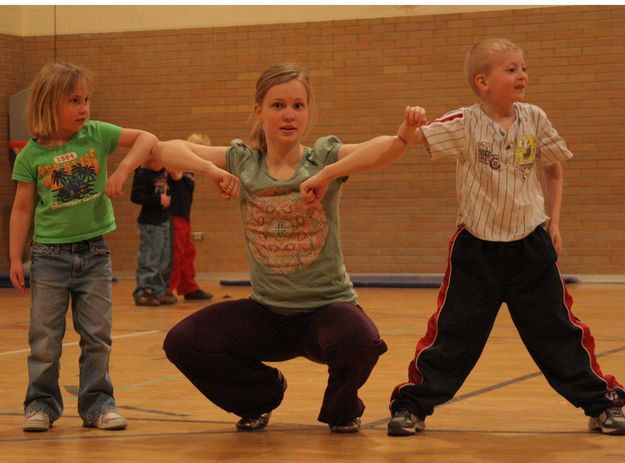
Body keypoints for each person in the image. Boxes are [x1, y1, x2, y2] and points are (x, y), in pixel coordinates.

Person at [155, 62, 426, 433]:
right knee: (184, 341)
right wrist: (211, 171)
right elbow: (165, 149)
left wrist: (330, 174)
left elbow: (386, 149)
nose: (289, 115)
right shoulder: (243, 161)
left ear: (308, 112)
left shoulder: (323, 157)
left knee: (360, 339)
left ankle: (341, 408)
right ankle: (260, 396)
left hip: (326, 311)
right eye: (278, 105)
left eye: (298, 106)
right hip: (266, 313)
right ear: (258, 111)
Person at [387, 38, 625, 437]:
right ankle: (412, 405)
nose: (522, 75)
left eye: (523, 68)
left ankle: (601, 403)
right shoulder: (463, 122)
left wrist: (554, 222)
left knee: (559, 331)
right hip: (476, 251)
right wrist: (408, 123)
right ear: (483, 81)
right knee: (453, 335)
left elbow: (552, 169)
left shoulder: (534, 118)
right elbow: (414, 139)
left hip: (530, 247)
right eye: (511, 69)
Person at [9, 61, 159, 432]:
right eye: (74, 100)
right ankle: (41, 404)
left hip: (93, 254)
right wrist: (15, 256)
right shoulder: (31, 155)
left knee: (97, 335)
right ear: (48, 103)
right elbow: (23, 206)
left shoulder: (96, 134)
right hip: (48, 257)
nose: (84, 108)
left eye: (87, 99)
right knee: (45, 338)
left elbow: (147, 139)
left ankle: (98, 404)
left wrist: (124, 170)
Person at [165, 133, 214, 302]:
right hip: (174, 217)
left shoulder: (191, 172)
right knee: (176, 253)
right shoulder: (179, 168)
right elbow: (172, 169)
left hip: (184, 218)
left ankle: (188, 288)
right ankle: (167, 289)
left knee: (188, 252)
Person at [130, 157, 177, 306]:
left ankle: (158, 290)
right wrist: (158, 199)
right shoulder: (143, 174)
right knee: (150, 258)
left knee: (164, 259)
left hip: (164, 220)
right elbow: (136, 196)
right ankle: (144, 290)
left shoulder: (163, 173)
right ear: (151, 161)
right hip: (151, 223)